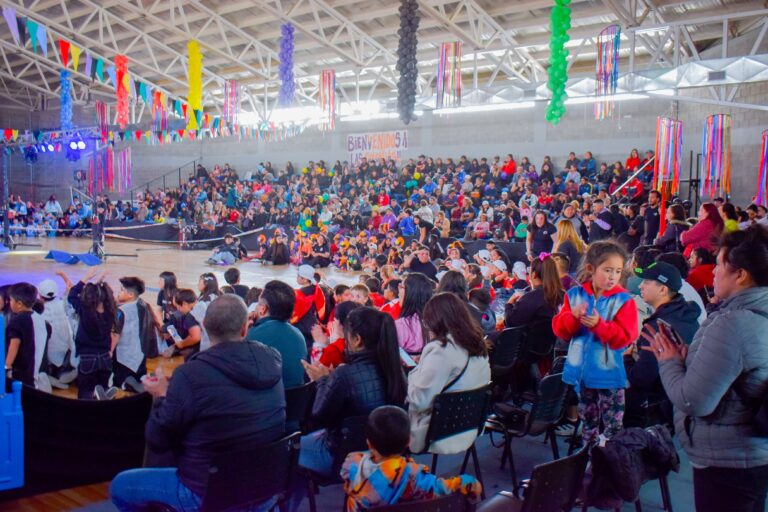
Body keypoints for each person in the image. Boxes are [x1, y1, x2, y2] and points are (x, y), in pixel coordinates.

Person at [110, 295, 286, 512]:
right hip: (265, 490)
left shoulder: (190, 375)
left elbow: (158, 439)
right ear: (244, 329)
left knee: (121, 485)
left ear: (204, 327)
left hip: (209, 494)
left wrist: (161, 397)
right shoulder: (272, 363)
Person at [643, 225, 768, 512]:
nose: (713, 272)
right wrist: (691, 360)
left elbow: (693, 400)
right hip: (751, 455)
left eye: (720, 264)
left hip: (727, 460)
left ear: (741, 274)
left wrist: (670, 362)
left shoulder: (734, 323)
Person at [290, 307, 407, 511]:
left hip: (339, 456)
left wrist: (322, 382)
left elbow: (317, 419)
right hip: (382, 452)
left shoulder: (345, 377)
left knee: (288, 450)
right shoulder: (397, 372)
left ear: (357, 340)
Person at [552, 241, 638, 445]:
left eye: (617, 271)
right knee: (588, 425)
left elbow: (625, 338)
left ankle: (611, 467)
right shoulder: (574, 295)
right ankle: (589, 462)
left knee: (613, 430)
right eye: (608, 270)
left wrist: (600, 325)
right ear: (591, 269)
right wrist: (573, 317)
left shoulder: (624, 301)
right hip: (582, 375)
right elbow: (560, 331)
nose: (613, 276)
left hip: (609, 376)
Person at [341, 406, 482, 511]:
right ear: (408, 441)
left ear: (369, 443)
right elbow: (443, 489)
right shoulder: (414, 476)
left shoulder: (352, 463)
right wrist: (470, 482)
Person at [408, 293, 490, 454]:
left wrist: (415, 372)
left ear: (435, 321)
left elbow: (419, 401)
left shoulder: (441, 350)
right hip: (469, 426)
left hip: (437, 434)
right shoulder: (479, 345)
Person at [624, 262, 701, 428]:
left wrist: (627, 359)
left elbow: (642, 377)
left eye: (646, 282)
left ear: (663, 289)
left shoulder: (657, 327)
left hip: (658, 411)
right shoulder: (687, 315)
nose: (641, 286)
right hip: (679, 404)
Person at [61, 268, 118, 400]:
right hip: (105, 357)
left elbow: (72, 295)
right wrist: (101, 281)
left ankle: (91, 399)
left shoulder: (85, 310)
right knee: (102, 388)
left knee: (85, 392)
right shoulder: (111, 311)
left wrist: (85, 278)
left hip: (88, 357)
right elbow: (100, 295)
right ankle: (103, 396)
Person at [247, 280, 308, 388]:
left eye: (258, 303)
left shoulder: (252, 335)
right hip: (297, 401)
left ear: (263, 309)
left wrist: (242, 331)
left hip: (266, 402)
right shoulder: (299, 335)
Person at [114, 277, 158, 391]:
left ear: (130, 295)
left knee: (117, 378)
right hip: (140, 354)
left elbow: (115, 335)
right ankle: (144, 379)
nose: (118, 292)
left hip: (124, 355)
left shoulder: (121, 311)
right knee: (139, 374)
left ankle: (126, 382)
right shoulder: (144, 304)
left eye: (121, 290)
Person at [5, 283, 49, 389]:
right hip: (36, 372)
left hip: (19, 374)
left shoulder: (16, 321)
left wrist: (6, 366)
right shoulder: (41, 319)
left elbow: (14, 345)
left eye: (11, 300)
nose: (9, 303)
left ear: (19, 303)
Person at [504, 255, 563, 328]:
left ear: (534, 274)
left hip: (537, 338)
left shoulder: (531, 298)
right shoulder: (563, 294)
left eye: (529, 271)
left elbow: (511, 322)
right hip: (558, 338)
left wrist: (509, 304)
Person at [37, 279, 76, 389]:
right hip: (68, 350)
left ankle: (56, 377)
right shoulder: (63, 304)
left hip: (50, 356)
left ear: (40, 295)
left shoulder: (40, 312)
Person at [395, 273, 434, 354]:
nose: (398, 291)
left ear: (411, 293)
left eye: (401, 287)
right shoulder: (436, 321)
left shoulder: (401, 325)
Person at [293, 265, 326, 350]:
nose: (296, 277)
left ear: (304, 280)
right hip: (313, 323)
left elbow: (294, 315)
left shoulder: (300, 294)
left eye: (298, 276)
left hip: (303, 326)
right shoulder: (316, 288)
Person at [162, 289, 202, 360]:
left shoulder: (189, 316)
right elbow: (169, 327)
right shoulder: (203, 306)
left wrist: (181, 344)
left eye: (178, 307)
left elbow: (195, 337)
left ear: (184, 304)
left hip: (199, 350)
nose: (179, 310)